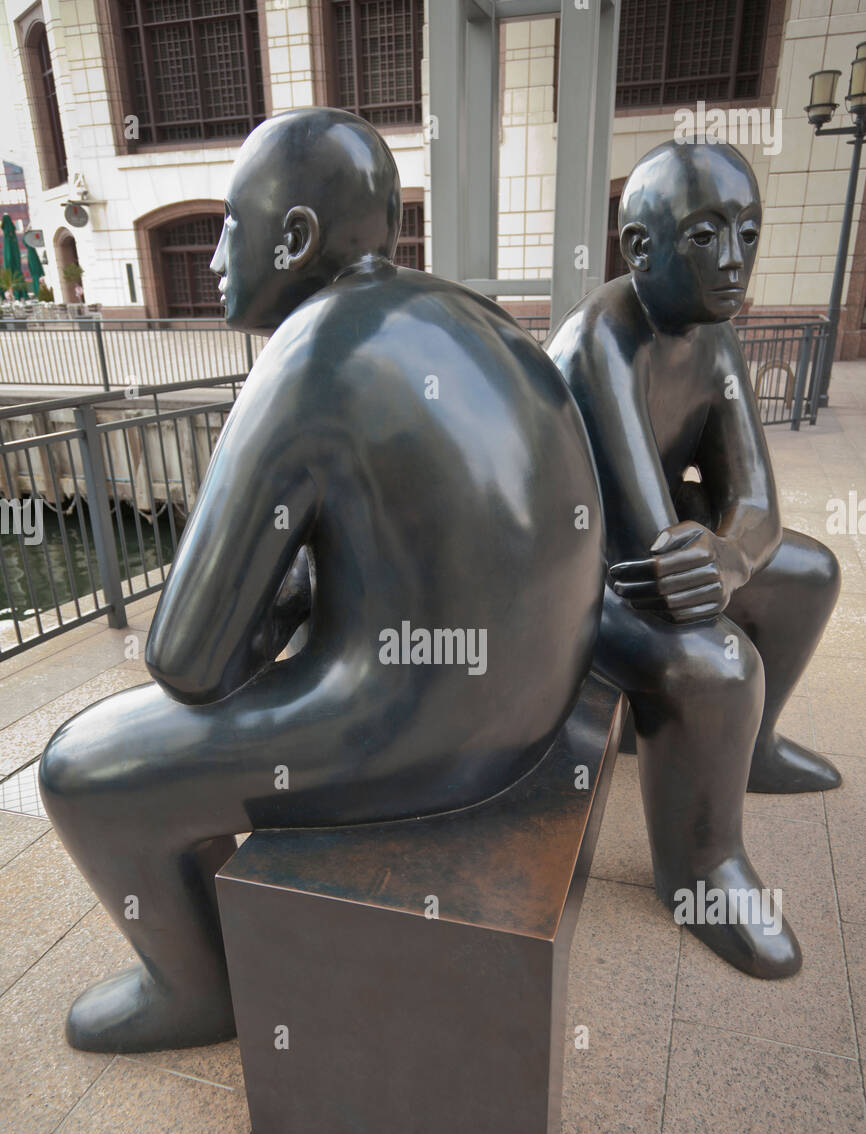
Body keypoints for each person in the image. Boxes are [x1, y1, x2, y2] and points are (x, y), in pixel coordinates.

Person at [39, 108, 604, 1052]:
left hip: (425, 730)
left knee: (81, 768)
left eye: (230, 225)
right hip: (534, 708)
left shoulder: (310, 352)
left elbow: (184, 660)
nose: (216, 255)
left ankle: (196, 987)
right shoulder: (469, 314)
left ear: (295, 237)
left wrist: (275, 602)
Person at [546, 140, 841, 980]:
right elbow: (643, 543)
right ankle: (700, 869)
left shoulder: (712, 337)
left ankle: (749, 752)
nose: (736, 260)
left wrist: (731, 556)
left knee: (809, 575)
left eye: (748, 232)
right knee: (716, 663)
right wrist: (709, 558)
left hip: (654, 554)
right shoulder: (603, 338)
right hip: (575, 576)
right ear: (641, 249)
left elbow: (758, 507)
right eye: (707, 235)